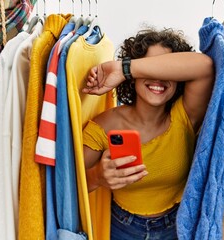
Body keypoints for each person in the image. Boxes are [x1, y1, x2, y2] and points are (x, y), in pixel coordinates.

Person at [82, 27, 214, 239]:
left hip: (177, 227)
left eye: (164, 70)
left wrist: (125, 68)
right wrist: (98, 176)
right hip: (122, 228)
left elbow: (205, 66)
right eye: (149, 70)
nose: (157, 78)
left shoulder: (185, 115)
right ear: (133, 79)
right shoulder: (104, 126)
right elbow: (67, 188)